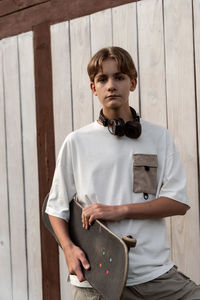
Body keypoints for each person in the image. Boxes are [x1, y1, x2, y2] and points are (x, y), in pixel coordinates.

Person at [45, 46, 200, 299]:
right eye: (102, 79)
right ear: (93, 88)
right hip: (96, 282)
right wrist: (68, 248)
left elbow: (178, 202)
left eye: (119, 77)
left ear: (133, 82)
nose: (111, 85)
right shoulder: (76, 142)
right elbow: (55, 208)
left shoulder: (159, 137)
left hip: (154, 276)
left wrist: (116, 210)